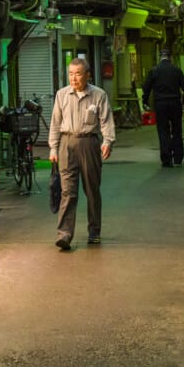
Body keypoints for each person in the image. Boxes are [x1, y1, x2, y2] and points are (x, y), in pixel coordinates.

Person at [48, 57, 116, 251]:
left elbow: (106, 121)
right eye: (70, 74)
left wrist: (107, 142)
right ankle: (64, 234)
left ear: (87, 75)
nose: (74, 78)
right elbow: (55, 123)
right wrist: (53, 148)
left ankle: (94, 231)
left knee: (92, 190)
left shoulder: (99, 95)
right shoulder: (61, 95)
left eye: (78, 74)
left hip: (89, 144)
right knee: (67, 192)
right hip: (66, 143)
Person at [142, 49, 184, 167]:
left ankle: (166, 159)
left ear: (160, 57)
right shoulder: (176, 70)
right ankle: (178, 158)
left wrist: (145, 101)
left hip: (160, 104)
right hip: (175, 103)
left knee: (163, 131)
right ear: (170, 57)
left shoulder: (154, 70)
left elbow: (146, 87)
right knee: (177, 130)